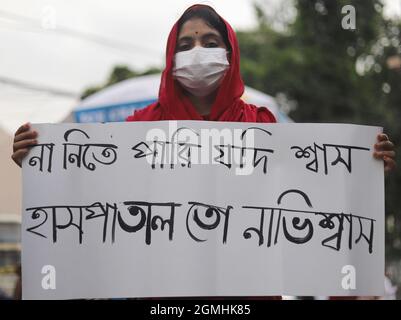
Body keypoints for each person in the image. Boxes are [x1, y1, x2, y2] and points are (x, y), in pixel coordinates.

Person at [10, 4, 396, 299]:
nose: (198, 52)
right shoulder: (139, 128)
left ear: (230, 54)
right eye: (185, 44)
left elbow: (308, 199)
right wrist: (42, 166)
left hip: (247, 294)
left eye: (210, 43)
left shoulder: (262, 125)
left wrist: (362, 169)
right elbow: (93, 200)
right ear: (170, 57)